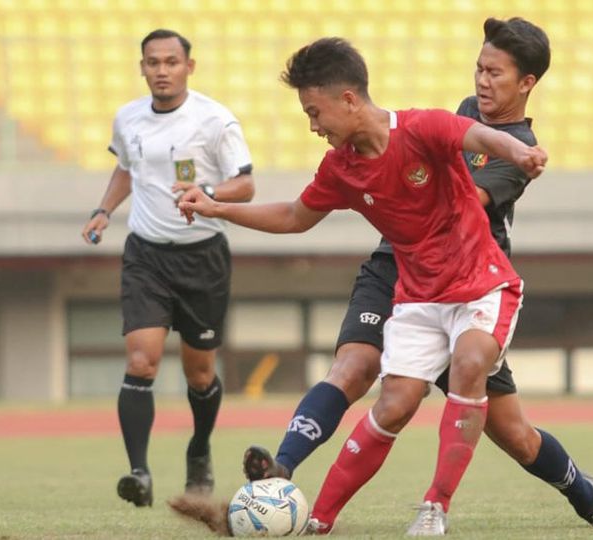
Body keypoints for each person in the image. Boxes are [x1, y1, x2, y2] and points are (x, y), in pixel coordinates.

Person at [242, 17, 593, 531]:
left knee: (513, 432)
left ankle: (584, 493)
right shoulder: (469, 115)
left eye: (495, 73)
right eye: (478, 68)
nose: (481, 81)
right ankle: (281, 470)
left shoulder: (516, 148)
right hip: (398, 268)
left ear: (526, 83)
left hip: (467, 280)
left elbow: (452, 202)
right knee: (355, 366)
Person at [178, 37, 546, 535]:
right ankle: (309, 506)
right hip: (411, 287)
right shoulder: (340, 168)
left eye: (315, 112)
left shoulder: (424, 127)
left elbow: (483, 140)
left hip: (477, 282)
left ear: (348, 99)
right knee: (383, 394)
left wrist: (520, 152)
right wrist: (218, 209)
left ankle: (444, 505)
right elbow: (293, 216)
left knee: (503, 414)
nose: (312, 126)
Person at [81, 29, 255, 507]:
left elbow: (246, 186)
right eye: (153, 62)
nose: (162, 70)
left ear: (188, 67)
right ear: (142, 67)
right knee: (141, 361)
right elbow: (126, 168)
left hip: (203, 256)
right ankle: (138, 471)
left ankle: (199, 450)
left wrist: (210, 195)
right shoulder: (128, 118)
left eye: (171, 62)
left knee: (200, 375)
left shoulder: (215, 120)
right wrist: (103, 210)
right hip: (146, 254)